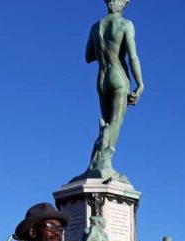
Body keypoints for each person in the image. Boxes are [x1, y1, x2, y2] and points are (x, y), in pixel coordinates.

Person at [73, 0, 144, 183]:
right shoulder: (125, 24)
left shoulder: (96, 27)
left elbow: (88, 57)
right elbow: (133, 56)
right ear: (123, 5)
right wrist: (140, 84)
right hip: (118, 76)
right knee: (115, 123)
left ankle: (95, 165)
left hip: (102, 79)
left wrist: (102, 48)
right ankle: (104, 166)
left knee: (105, 123)